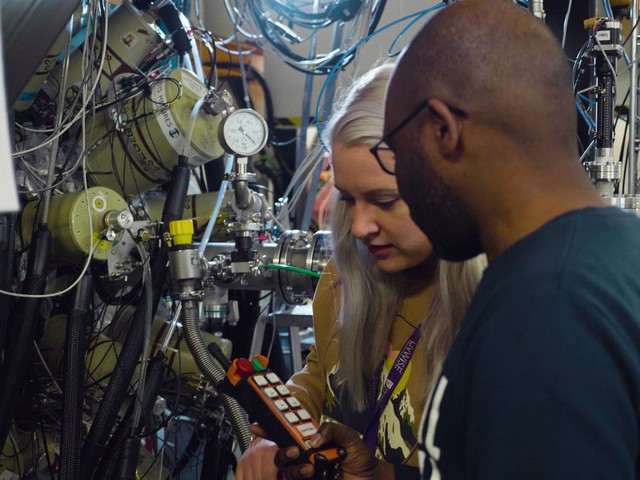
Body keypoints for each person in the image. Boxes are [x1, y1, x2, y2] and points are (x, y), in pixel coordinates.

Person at [298, 1, 640, 479]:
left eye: (398, 157)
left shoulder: (545, 315)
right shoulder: (614, 253)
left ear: (444, 131)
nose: (358, 226)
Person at [236, 64, 486, 480]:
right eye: (349, 199)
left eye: (385, 200)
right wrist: (277, 437)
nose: (358, 227)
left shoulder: (496, 313)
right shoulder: (345, 275)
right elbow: (322, 370)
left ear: (449, 185)